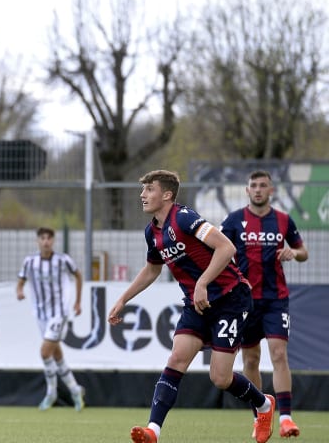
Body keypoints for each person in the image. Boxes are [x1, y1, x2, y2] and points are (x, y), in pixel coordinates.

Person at [107, 169, 276, 443]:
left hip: (231, 299)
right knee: (176, 359)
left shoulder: (184, 217)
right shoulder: (152, 232)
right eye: (143, 189)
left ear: (167, 195)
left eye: (149, 189)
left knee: (220, 378)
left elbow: (226, 248)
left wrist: (202, 283)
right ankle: (153, 431)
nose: (142, 195)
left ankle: (264, 405)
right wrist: (123, 299)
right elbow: (152, 270)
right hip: (197, 305)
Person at [220, 170, 309, 439]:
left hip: (275, 299)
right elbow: (217, 250)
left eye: (263, 185)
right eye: (254, 185)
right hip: (244, 301)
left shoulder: (283, 220)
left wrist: (294, 252)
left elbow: (303, 252)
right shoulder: (233, 220)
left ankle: (286, 419)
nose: (258, 189)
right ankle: (260, 416)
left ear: (272, 190)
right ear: (247, 190)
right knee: (251, 359)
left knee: (279, 354)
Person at [16, 226, 85, 412]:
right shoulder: (30, 262)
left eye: (49, 238)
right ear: (37, 241)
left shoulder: (63, 260)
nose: (46, 241)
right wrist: (19, 291)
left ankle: (51, 392)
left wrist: (77, 301)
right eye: (42, 238)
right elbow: (21, 281)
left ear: (53, 241)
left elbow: (78, 275)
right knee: (56, 354)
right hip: (41, 314)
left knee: (45, 352)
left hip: (59, 313)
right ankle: (75, 389)